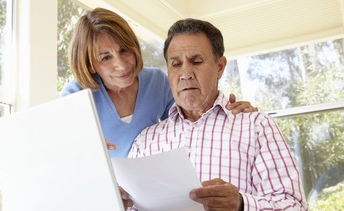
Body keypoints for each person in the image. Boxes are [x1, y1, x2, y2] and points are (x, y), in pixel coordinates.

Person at [127, 18, 309, 211]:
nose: (185, 74)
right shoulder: (146, 140)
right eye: (176, 64)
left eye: (196, 61)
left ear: (220, 67)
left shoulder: (256, 126)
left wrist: (242, 208)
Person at [60, 8, 257, 158]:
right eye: (105, 58)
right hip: (102, 189)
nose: (121, 65)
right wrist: (79, 147)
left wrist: (230, 111)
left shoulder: (157, 82)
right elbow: (55, 150)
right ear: (91, 64)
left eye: (124, 50)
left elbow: (192, 117)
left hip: (146, 188)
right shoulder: (76, 96)